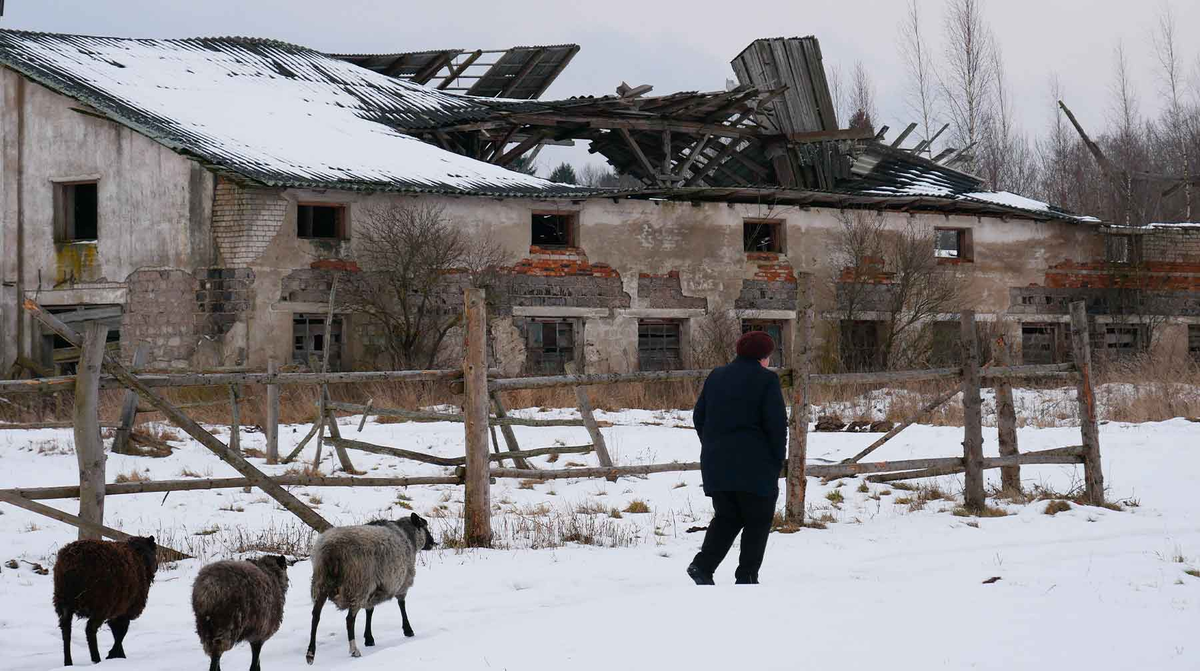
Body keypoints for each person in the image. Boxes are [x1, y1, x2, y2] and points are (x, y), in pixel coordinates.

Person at [687, 330, 788, 585]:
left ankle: (703, 565)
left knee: (727, 517)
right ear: (763, 357)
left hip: (716, 463)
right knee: (757, 520)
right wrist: (777, 459)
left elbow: (699, 416)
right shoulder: (767, 380)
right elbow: (776, 425)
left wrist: (712, 444)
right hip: (756, 465)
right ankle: (747, 576)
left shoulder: (716, 376)